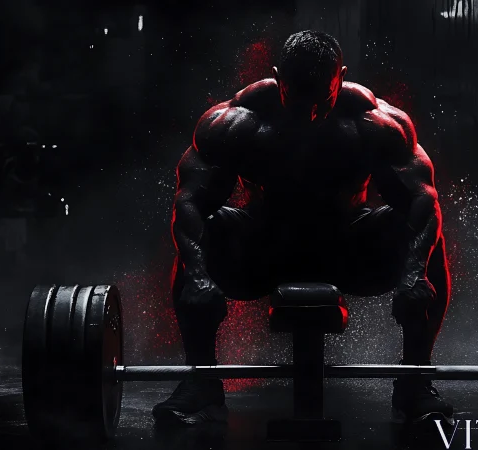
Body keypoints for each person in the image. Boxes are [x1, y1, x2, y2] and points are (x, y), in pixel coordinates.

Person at [153, 30, 453, 427]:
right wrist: (198, 275)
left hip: (348, 247)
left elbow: (424, 201)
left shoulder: (375, 122)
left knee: (422, 238)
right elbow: (189, 202)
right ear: (278, 79)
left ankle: (415, 381)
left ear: (340, 78)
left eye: (322, 101)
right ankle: (201, 381)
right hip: (262, 249)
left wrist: (413, 274)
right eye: (296, 97)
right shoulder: (236, 121)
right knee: (200, 233)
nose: (309, 114)